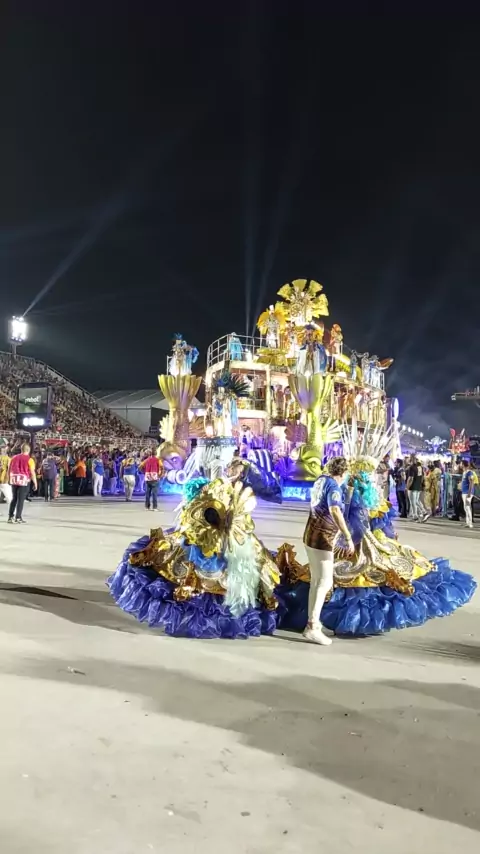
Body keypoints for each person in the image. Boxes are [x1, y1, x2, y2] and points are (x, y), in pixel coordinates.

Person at [302, 457, 354, 645]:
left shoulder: (321, 480)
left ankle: (313, 622)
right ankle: (312, 626)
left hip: (310, 534)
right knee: (324, 582)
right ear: (343, 472)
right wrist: (347, 535)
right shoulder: (333, 487)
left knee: (316, 581)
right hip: (323, 538)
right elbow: (335, 510)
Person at [8, 442, 37, 523]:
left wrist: (9, 479)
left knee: (14, 498)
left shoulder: (13, 458)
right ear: (28, 450)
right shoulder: (30, 460)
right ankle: (18, 517)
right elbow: (32, 472)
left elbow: (9, 468)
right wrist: (35, 483)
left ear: (21, 449)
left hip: (14, 479)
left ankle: (10, 517)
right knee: (20, 500)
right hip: (24, 481)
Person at [406, 456, 426, 521]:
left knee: (413, 502)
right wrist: (420, 484)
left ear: (411, 460)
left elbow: (410, 478)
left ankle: (415, 515)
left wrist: (407, 487)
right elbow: (422, 477)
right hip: (418, 486)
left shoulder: (411, 467)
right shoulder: (420, 467)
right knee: (416, 501)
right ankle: (423, 511)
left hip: (412, 487)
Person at [460, 459, 475, 529]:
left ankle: (470, 523)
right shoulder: (464, 472)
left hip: (467, 493)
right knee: (465, 507)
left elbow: (471, 483)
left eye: (461, 464)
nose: (460, 465)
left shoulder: (469, 472)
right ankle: (467, 522)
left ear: (463, 465)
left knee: (468, 507)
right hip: (464, 492)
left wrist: (469, 492)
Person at [0, 444, 12, 510]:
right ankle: (12, 513)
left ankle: (12, 513)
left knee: (9, 497)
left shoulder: (9, 459)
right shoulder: (8, 459)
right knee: (9, 498)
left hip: (4, 480)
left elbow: (9, 469)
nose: (4, 450)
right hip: (3, 480)